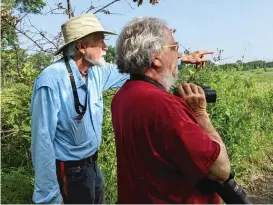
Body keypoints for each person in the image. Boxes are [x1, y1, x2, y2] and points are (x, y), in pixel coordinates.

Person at [30, 13, 207, 204]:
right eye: (100, 42)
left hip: (92, 167)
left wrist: (182, 59)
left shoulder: (96, 71)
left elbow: (138, 67)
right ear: (82, 46)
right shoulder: (51, 81)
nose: (106, 47)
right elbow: (42, 141)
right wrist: (49, 197)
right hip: (69, 173)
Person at [111, 17, 231, 204]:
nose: (179, 54)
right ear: (155, 58)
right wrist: (200, 114)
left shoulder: (123, 96)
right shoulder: (165, 107)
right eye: (174, 48)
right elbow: (221, 170)